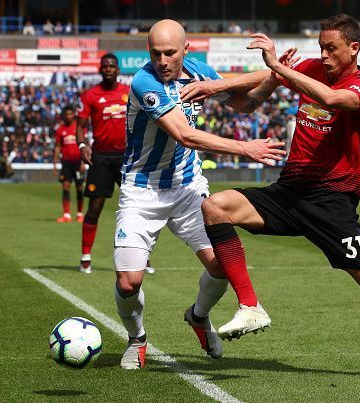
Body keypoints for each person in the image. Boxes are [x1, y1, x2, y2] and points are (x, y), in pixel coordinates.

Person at [182, 13, 360, 379]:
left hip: (332, 202)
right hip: (290, 192)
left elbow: (330, 97)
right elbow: (267, 78)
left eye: (331, 48)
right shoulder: (314, 67)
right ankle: (250, 305)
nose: (324, 55)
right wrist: (215, 87)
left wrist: (278, 69)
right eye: (321, 47)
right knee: (215, 207)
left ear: (354, 48)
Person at [113, 19, 286, 370]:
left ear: (186, 49)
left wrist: (275, 75)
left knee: (223, 266)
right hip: (143, 191)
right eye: (155, 53)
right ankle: (137, 339)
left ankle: (197, 316)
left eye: (170, 53)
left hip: (188, 187)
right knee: (128, 282)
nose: (162, 61)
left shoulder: (197, 71)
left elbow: (246, 104)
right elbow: (184, 135)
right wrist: (244, 148)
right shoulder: (144, 81)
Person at [76, 54, 155, 274]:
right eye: (105, 66)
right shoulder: (90, 95)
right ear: (100, 69)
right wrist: (82, 145)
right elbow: (80, 125)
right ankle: (85, 257)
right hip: (100, 157)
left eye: (112, 66)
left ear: (117, 69)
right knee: (95, 208)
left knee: (139, 208)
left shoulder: (128, 92)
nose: (108, 69)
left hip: (127, 157)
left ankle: (142, 258)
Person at [53, 106, 85, 223]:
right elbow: (57, 146)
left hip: (78, 162)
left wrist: (83, 162)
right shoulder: (60, 130)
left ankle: (79, 214)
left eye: (70, 114)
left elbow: (84, 145)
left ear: (73, 115)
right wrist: (55, 163)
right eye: (66, 114)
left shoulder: (79, 128)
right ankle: (66, 214)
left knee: (79, 188)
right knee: (65, 186)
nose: (68, 116)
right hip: (66, 163)